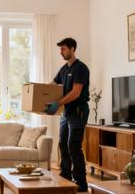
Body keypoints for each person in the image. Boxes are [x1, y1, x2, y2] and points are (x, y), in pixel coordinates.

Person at [45, 37, 91, 192]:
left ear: (72, 49)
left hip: (78, 112)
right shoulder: (64, 69)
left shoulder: (81, 68)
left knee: (73, 146)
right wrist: (38, 91)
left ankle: (81, 183)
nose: (61, 52)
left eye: (63, 49)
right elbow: (52, 85)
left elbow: (76, 93)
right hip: (66, 113)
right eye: (60, 49)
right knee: (62, 144)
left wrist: (58, 103)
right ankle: (65, 177)